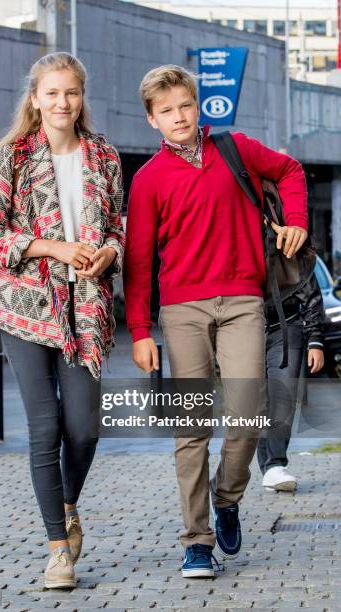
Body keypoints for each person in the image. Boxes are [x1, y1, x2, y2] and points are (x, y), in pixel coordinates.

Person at [124, 65, 308, 579]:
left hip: (245, 301)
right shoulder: (147, 180)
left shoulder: (236, 148)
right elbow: (138, 261)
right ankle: (197, 539)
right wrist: (139, 330)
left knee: (247, 413)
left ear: (197, 104)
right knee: (192, 428)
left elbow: (291, 171)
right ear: (151, 120)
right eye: (167, 111)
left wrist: (295, 219)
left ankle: (227, 499)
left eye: (185, 105)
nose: (179, 116)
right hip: (182, 310)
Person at [0, 52, 124, 589]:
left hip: (86, 307)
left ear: (82, 98)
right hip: (25, 307)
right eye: (53, 93)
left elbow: (118, 224)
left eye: (72, 93)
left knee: (83, 427)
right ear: (35, 98)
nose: (63, 103)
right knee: (45, 427)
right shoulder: (11, 156)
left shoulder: (104, 155)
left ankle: (66, 503)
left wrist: (109, 251)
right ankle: (58, 547)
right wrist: (53, 247)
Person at [258, 272, 325, 491]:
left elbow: (307, 285)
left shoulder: (287, 242)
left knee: (283, 395)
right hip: (243, 329)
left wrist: (315, 338)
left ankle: (275, 465)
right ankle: (267, 467)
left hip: (287, 327)